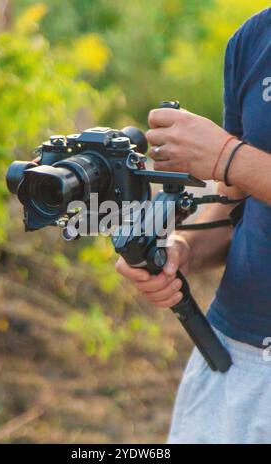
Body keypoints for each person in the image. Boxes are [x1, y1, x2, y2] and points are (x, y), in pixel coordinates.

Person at [115, 8, 271, 444]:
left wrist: (226, 156)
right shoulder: (253, 39)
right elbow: (236, 200)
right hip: (230, 358)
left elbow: (235, 165)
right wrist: (181, 249)